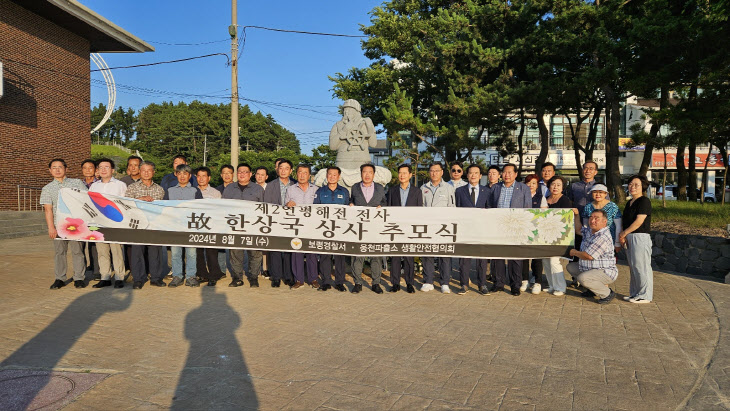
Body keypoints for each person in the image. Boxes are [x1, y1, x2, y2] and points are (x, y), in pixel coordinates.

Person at [40, 158, 88, 289]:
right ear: (50, 171)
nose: (57, 170)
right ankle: (60, 278)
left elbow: (86, 201)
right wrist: (51, 227)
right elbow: (48, 209)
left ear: (66, 169)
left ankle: (79, 278)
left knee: (77, 251)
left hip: (76, 225)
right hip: (58, 226)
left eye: (60, 167)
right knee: (59, 252)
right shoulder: (47, 189)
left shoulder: (77, 183)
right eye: (54, 167)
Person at [488, 163, 532, 296]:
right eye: (504, 172)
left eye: (509, 172)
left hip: (516, 227)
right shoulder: (495, 187)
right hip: (499, 226)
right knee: (498, 256)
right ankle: (498, 283)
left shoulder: (523, 188)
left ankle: (515, 285)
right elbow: (490, 205)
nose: (506, 175)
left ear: (515, 174)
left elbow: (528, 207)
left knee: (515, 258)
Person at [222, 163, 265, 288]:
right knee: (235, 253)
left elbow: (263, 208)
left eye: (245, 172)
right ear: (236, 174)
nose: (242, 174)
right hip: (235, 227)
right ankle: (237, 278)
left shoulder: (258, 189)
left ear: (250, 174)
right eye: (240, 171)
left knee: (255, 253)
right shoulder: (229, 189)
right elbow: (224, 208)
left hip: (253, 227)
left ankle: (253, 277)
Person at [125, 161, 166, 289]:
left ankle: (156, 278)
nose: (146, 172)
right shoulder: (132, 188)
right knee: (137, 252)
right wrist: (141, 199)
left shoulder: (159, 189)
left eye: (149, 170)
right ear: (139, 171)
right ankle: (138, 278)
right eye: (143, 170)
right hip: (137, 225)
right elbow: (127, 205)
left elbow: (162, 209)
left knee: (155, 252)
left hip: (154, 225)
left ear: (153, 172)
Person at [89, 158, 129, 289]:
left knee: (117, 250)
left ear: (112, 170)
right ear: (98, 171)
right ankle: (105, 277)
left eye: (106, 167)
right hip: (98, 223)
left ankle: (119, 277)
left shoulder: (120, 185)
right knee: (101, 251)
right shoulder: (94, 186)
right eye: (101, 167)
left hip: (115, 224)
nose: (103, 170)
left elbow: (125, 204)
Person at [350, 163, 387, 294]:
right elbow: (351, 201)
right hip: (358, 228)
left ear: (373, 174)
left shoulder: (380, 188)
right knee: (357, 256)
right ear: (361, 174)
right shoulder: (354, 188)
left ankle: (376, 283)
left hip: (374, 228)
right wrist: (351, 205)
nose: (367, 175)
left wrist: (382, 207)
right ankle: (358, 282)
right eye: (364, 172)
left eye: (370, 172)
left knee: (375, 256)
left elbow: (384, 203)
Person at [567, 208, 618, 304]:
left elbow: (588, 256)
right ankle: (592, 290)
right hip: (592, 268)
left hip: (605, 271)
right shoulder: (591, 231)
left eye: (596, 218)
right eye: (591, 217)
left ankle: (607, 293)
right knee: (571, 267)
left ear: (605, 221)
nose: (592, 220)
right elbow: (578, 229)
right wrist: (577, 215)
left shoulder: (602, 236)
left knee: (583, 278)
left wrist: (574, 252)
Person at [163, 164, 203, 287]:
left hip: (190, 227)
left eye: (185, 174)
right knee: (175, 253)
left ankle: (191, 276)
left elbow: (201, 208)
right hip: (175, 227)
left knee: (191, 253)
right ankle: (177, 276)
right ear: (176, 174)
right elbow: (165, 208)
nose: (182, 176)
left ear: (189, 176)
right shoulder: (170, 190)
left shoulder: (195, 191)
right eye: (179, 173)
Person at [420, 162, 456, 293]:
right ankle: (428, 281)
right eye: (431, 170)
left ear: (442, 172)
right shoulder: (423, 187)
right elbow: (420, 207)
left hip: (443, 226)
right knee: (427, 253)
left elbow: (452, 207)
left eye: (436, 170)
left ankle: (444, 282)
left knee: (444, 254)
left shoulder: (448, 188)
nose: (434, 173)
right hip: (428, 226)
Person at [386, 164, 422, 294]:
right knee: (395, 256)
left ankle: (409, 283)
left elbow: (419, 211)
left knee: (409, 257)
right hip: (395, 228)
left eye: (405, 173)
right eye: (400, 173)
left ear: (410, 175)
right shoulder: (392, 190)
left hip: (409, 228)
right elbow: (388, 209)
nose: (402, 175)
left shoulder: (417, 191)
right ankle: (395, 283)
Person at [454, 164, 490, 295]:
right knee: (464, 259)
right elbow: (457, 210)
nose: (473, 175)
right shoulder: (460, 191)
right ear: (467, 175)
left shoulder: (487, 191)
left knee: (482, 259)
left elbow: (490, 211)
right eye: (471, 173)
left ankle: (482, 284)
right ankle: (463, 284)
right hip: (465, 230)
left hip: (481, 230)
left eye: (476, 173)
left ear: (480, 176)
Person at [314, 166, 349, 292]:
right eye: (329, 174)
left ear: (339, 176)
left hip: (340, 229)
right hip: (324, 228)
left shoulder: (344, 191)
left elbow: (348, 210)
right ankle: (326, 281)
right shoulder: (320, 191)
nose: (332, 177)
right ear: (326, 176)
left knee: (339, 256)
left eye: (335, 174)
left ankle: (339, 282)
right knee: (325, 256)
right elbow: (315, 209)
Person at [619, 175, 653, 304]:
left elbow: (639, 221)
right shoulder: (630, 202)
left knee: (641, 266)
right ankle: (635, 293)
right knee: (633, 267)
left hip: (640, 236)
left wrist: (623, 233)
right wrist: (624, 234)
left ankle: (645, 295)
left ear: (643, 187)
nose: (632, 187)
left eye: (636, 185)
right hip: (629, 236)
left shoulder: (644, 201)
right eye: (630, 184)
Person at [285, 164, 319, 289]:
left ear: (309, 175)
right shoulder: (291, 189)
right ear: (296, 174)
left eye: (305, 173)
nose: (302, 175)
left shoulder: (316, 189)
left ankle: (313, 278)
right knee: (297, 253)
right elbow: (285, 207)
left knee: (312, 253)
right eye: (300, 172)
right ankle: (298, 279)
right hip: (296, 226)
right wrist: (288, 204)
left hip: (312, 227)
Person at [263, 159, 296, 287]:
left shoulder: (295, 184)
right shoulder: (271, 185)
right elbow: (267, 203)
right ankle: (276, 277)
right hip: (276, 221)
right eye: (281, 168)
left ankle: (288, 276)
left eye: (286, 168)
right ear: (277, 170)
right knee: (275, 249)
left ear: (291, 170)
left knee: (289, 248)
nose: (283, 171)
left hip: (292, 222)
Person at [194, 167, 226, 286]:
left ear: (209, 178)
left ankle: (214, 274)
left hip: (211, 225)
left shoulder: (215, 192)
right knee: (198, 251)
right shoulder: (192, 191)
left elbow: (219, 210)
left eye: (204, 176)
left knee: (211, 251)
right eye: (199, 176)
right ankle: (202, 274)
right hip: (196, 225)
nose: (201, 179)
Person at [542, 176, 572, 296]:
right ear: (549, 186)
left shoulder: (565, 200)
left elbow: (566, 219)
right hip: (544, 235)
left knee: (554, 261)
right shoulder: (545, 199)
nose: (555, 187)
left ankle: (560, 287)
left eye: (558, 185)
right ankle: (552, 285)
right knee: (545, 260)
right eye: (553, 184)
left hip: (558, 235)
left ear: (563, 187)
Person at [520, 174, 547, 294]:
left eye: (534, 183)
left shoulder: (541, 197)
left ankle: (538, 282)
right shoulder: (520, 196)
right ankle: (524, 280)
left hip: (537, 231)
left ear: (537, 185)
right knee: (524, 257)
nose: (531, 185)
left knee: (537, 258)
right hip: (523, 230)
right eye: (528, 183)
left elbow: (544, 214)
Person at [80, 159, 100, 278]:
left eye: (90, 168)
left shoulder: (100, 185)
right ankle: (82, 271)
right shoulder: (77, 185)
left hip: (95, 220)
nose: (88, 170)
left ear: (95, 170)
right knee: (80, 245)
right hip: (81, 220)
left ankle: (97, 270)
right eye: (85, 168)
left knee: (94, 244)